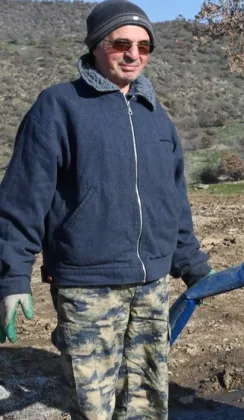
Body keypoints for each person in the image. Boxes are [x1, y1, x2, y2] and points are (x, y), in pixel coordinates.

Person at [0, 0, 215, 418]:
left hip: (151, 287)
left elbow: (174, 203)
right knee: (92, 405)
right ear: (97, 46)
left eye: (144, 46)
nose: (134, 54)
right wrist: (12, 280)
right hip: (87, 287)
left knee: (147, 403)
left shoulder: (157, 117)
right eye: (122, 43)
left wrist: (194, 267)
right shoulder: (59, 106)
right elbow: (21, 201)